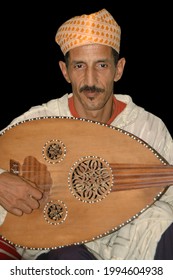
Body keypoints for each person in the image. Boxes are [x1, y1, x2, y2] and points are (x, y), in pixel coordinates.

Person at [0, 8, 173, 260]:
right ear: (65, 71)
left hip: (134, 250)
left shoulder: (148, 128)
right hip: (58, 245)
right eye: (79, 66)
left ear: (119, 68)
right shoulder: (40, 120)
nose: (90, 80)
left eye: (101, 65)